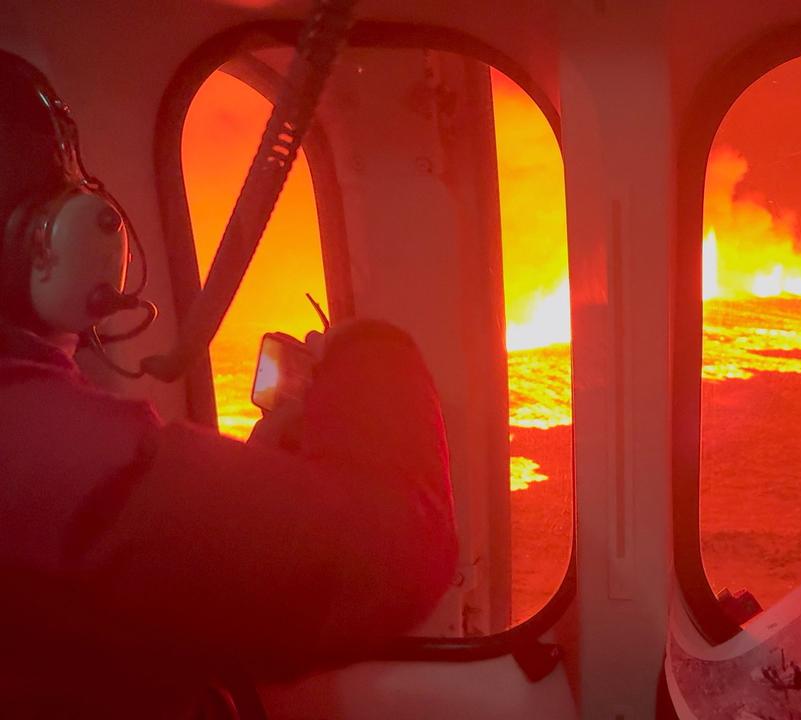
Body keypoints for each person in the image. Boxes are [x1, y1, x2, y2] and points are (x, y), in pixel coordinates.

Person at [0, 52, 458, 716]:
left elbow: (168, 571)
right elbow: (397, 550)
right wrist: (368, 349)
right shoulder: (50, 451)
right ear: (38, 235)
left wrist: (262, 471)